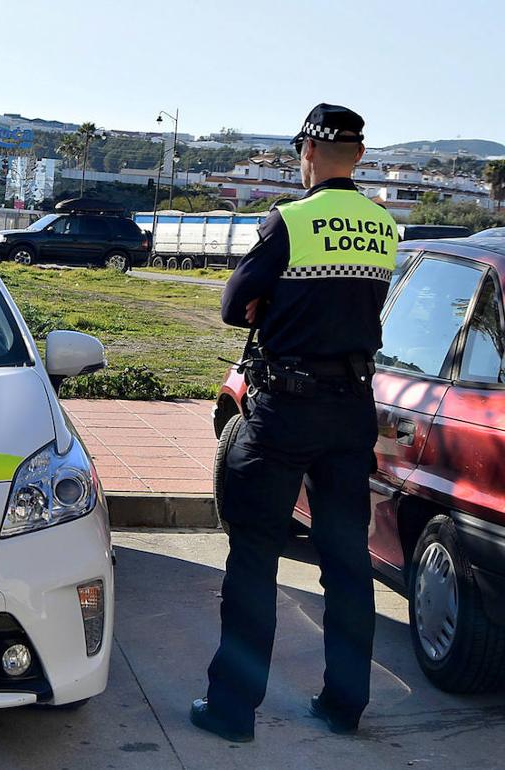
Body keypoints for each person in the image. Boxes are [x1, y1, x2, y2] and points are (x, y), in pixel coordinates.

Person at [191, 104, 397, 743]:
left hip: (284, 410)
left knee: (254, 555)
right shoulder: (384, 227)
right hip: (350, 410)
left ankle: (232, 711)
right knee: (345, 561)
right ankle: (344, 705)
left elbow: (233, 305)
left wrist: (269, 299)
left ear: (306, 152)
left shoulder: (290, 221)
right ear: (359, 156)